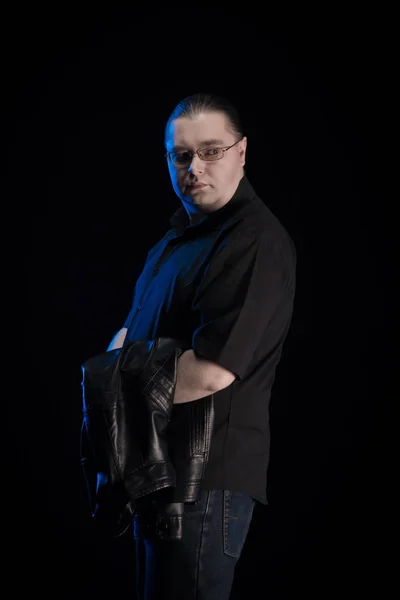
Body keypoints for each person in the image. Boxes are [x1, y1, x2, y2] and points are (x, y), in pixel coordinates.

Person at [107, 92, 297, 599]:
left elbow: (212, 370)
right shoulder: (173, 242)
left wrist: (110, 386)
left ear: (241, 152)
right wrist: (119, 372)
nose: (195, 167)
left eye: (211, 150)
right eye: (181, 155)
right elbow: (125, 341)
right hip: (154, 473)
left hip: (206, 483)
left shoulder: (253, 239)